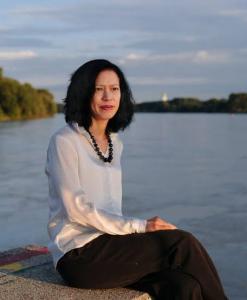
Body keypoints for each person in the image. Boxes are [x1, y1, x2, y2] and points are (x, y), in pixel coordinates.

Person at [45, 59, 228, 300]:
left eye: (115, 88)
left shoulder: (115, 143)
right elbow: (75, 209)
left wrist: (132, 234)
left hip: (111, 248)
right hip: (79, 255)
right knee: (181, 243)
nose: (108, 96)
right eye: (99, 89)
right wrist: (140, 227)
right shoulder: (65, 141)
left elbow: (109, 209)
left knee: (184, 286)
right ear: (83, 92)